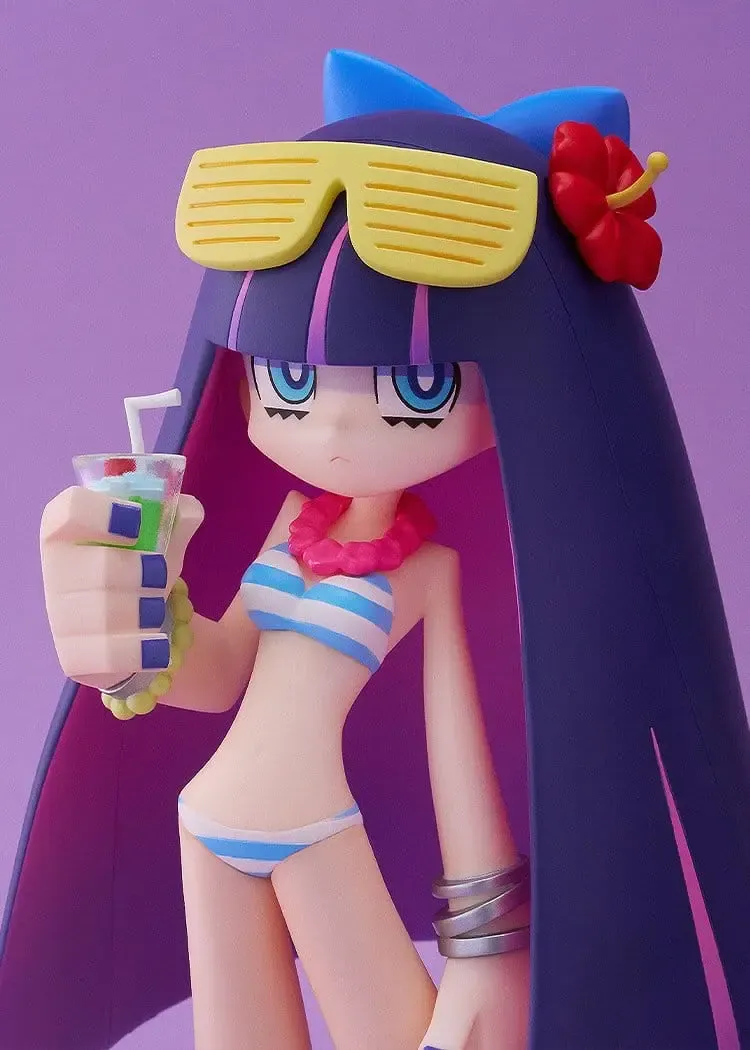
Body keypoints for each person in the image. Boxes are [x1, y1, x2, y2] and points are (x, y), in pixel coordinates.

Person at [1, 50, 748, 1050]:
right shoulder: (286, 527)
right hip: (206, 818)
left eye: (420, 389)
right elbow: (219, 678)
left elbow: (457, 761)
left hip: (314, 831)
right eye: (290, 382)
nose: (337, 430)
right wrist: (136, 628)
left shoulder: (427, 572)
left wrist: (486, 953)